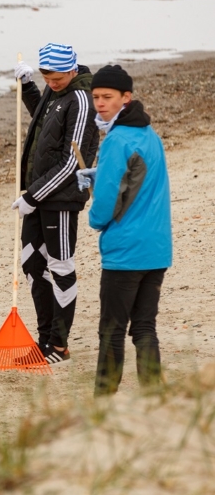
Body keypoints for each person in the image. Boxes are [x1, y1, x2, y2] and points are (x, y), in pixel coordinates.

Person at [75, 65, 172, 396]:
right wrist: (101, 173)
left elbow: (106, 204)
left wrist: (94, 216)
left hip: (126, 251)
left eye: (107, 97)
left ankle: (103, 396)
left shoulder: (116, 139)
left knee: (112, 329)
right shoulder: (150, 135)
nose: (99, 103)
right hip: (157, 248)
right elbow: (137, 180)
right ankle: (154, 393)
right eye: (96, 97)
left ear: (125, 98)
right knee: (144, 325)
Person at [12, 43, 99, 366]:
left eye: (57, 77)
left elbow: (70, 163)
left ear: (72, 70)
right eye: (46, 76)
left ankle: (59, 347)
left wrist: (31, 196)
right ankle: (45, 340)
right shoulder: (55, 92)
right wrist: (29, 87)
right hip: (38, 195)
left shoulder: (80, 99)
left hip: (60, 199)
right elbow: (44, 120)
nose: (52, 82)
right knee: (33, 264)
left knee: (61, 268)